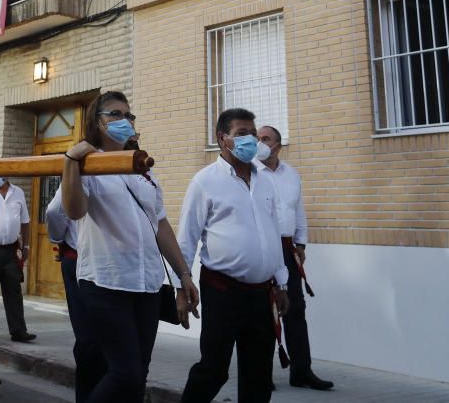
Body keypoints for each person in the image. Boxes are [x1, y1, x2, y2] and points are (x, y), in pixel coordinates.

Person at [62, 91, 198, 402]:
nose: (125, 121)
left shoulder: (143, 169)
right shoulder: (88, 165)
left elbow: (160, 225)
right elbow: (73, 211)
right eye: (115, 114)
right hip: (106, 282)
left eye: (129, 115)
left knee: (139, 375)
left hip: (147, 283)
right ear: (97, 122)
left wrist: (183, 275)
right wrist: (71, 162)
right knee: (125, 373)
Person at [177, 108, 290, 403]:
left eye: (252, 134)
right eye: (241, 134)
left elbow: (272, 231)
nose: (250, 140)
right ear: (222, 138)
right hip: (223, 292)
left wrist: (281, 282)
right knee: (213, 369)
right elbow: (187, 237)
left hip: (261, 295)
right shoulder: (204, 181)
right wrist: (181, 285)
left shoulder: (265, 180)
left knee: (259, 375)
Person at [257, 126, 334, 391]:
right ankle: (261, 376)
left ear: (277, 144)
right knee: (265, 312)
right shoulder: (251, 172)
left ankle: (302, 371)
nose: (259, 142)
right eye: (256, 138)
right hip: (262, 247)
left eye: (265, 138)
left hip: (288, 248)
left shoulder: (291, 174)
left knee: (296, 309)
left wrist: (301, 242)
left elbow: (298, 210)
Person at [46, 184, 106, 403]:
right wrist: (59, 240)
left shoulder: (82, 170)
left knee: (90, 338)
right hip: (88, 261)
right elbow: (54, 211)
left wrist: (58, 239)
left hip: (83, 258)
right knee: (93, 339)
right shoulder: (83, 170)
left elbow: (54, 212)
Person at [0, 176, 35, 342]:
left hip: (11, 250)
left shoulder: (17, 192)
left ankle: (18, 330)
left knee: (14, 291)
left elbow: (25, 221)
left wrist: (25, 246)